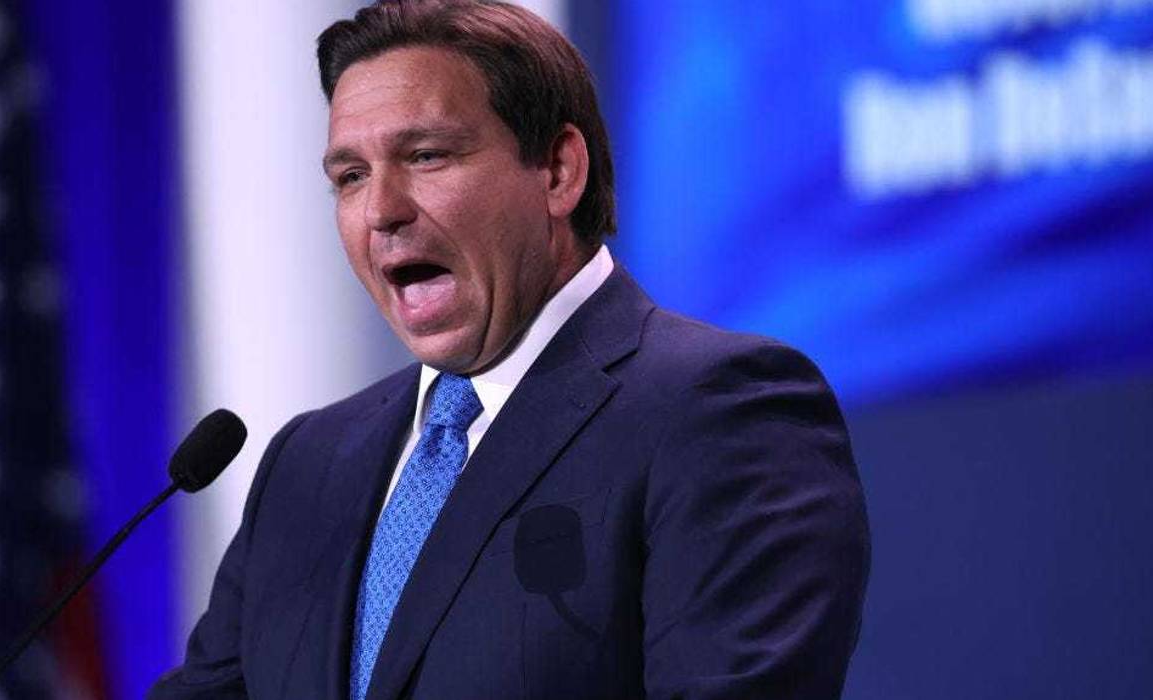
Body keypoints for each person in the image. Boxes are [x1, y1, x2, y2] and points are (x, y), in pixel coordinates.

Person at [150, 1, 870, 698]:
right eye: (350, 177)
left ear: (558, 171)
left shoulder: (716, 409)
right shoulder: (307, 464)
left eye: (425, 155)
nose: (381, 210)